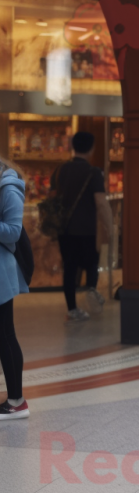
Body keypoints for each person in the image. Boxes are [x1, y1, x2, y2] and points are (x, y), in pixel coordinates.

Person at [50, 132, 113, 321]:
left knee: (69, 268)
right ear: (92, 149)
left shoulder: (60, 170)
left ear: (73, 147)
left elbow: (52, 199)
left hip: (65, 229)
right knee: (91, 264)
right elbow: (100, 202)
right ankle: (92, 292)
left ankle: (72, 309)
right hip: (88, 230)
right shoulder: (94, 173)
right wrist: (110, 226)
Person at [0, 157, 30, 420]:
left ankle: (16, 401)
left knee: (4, 334)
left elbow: (12, 232)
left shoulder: (8, 187)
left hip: (1, 272)